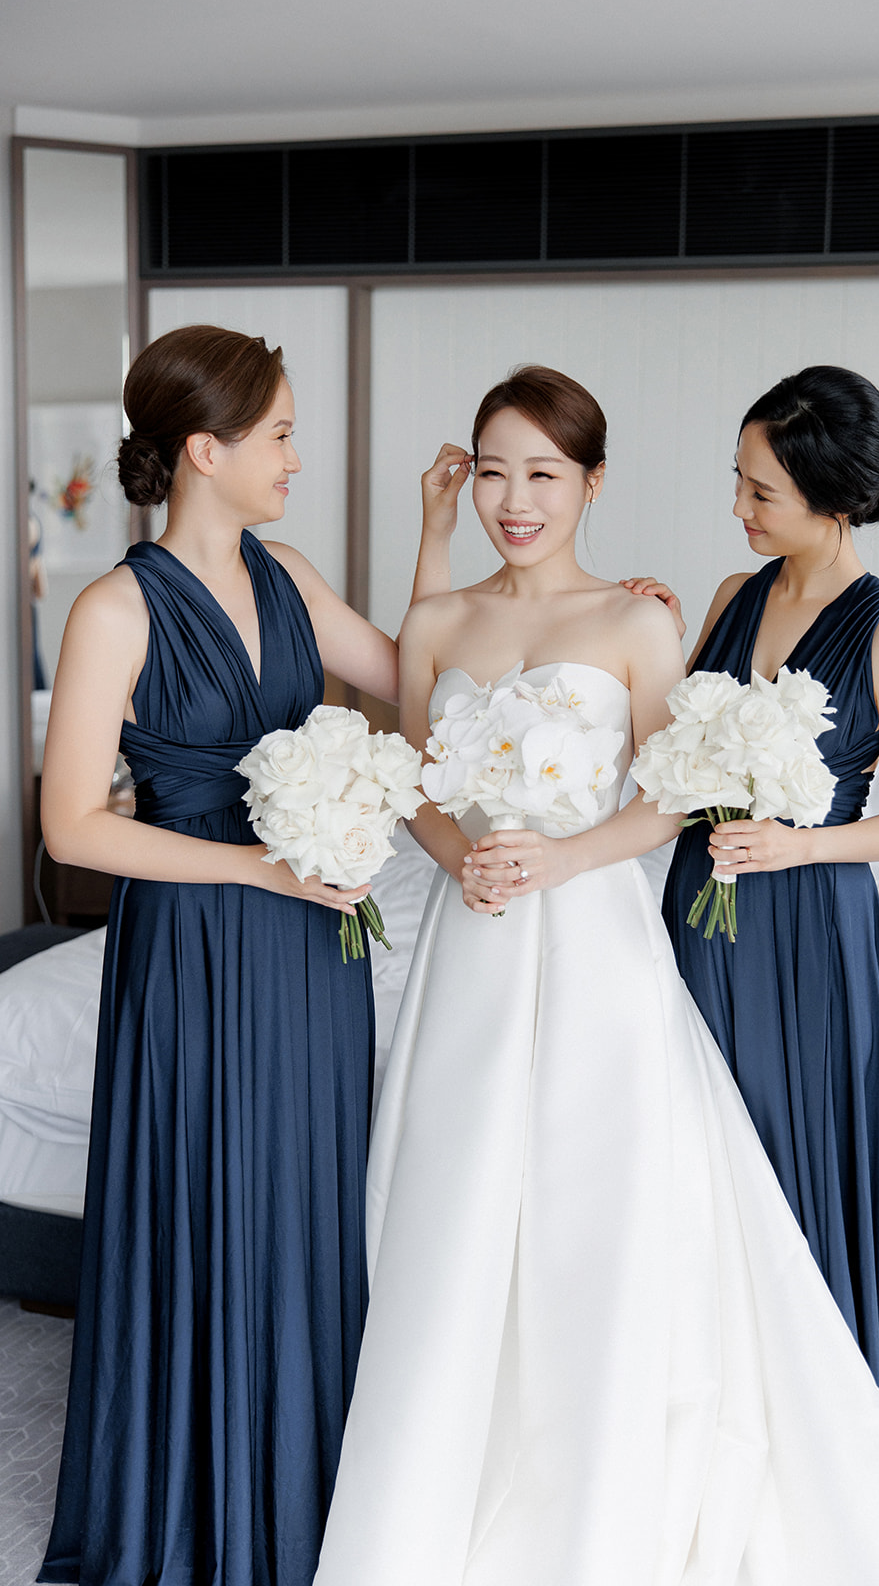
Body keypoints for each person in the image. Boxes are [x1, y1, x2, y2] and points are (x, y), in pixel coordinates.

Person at [313, 365, 879, 1586]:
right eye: (494, 471)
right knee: (450, 1197)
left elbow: (673, 787)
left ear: (590, 483)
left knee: (602, 1209)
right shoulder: (644, 604)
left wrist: (572, 854)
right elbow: (417, 770)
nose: (516, 497)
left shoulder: (666, 623)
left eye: (543, 473)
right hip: (485, 936)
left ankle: (601, 1482)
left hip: (652, 926)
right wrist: (464, 857)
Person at [38, 324, 449, 1586]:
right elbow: (71, 827)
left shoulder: (291, 574)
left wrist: (450, 545)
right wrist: (256, 869)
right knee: (204, 1194)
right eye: (278, 435)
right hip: (197, 939)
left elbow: (420, 684)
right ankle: (193, 1501)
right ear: (203, 451)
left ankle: (303, 1488)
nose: (295, 458)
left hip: (312, 941)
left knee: (306, 1199)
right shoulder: (114, 609)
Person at [624, 364, 879, 1585]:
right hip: (700, 909)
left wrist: (800, 843)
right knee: (698, 1162)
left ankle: (828, 1450)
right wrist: (644, 633)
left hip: (805, 927)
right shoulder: (731, 595)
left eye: (761, 490)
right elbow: (668, 751)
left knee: (797, 1168)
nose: (738, 507)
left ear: (830, 494)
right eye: (737, 482)